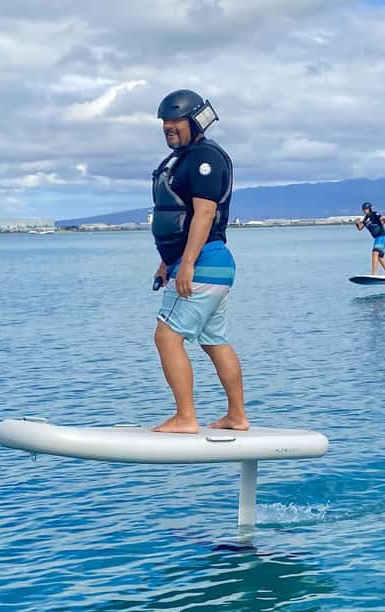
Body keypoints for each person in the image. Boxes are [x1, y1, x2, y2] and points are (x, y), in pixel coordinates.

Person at [149, 89, 249, 434]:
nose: (168, 127)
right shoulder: (184, 159)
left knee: (166, 337)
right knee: (213, 340)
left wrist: (188, 263)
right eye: (165, 122)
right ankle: (237, 416)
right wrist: (168, 262)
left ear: (196, 120)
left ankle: (185, 417)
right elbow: (182, 216)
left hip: (204, 262)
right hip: (213, 264)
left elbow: (204, 214)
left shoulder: (205, 158)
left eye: (176, 120)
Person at [354, 202, 385, 275]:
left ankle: (374, 274)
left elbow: (383, 219)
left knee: (375, 253)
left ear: (369, 208)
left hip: (382, 236)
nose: (364, 210)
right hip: (377, 238)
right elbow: (360, 228)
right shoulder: (365, 219)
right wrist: (357, 223)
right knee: (379, 257)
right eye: (363, 209)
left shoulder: (375, 214)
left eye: (366, 209)